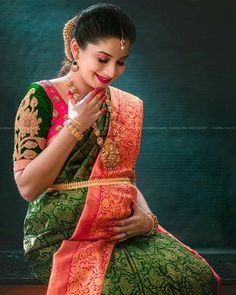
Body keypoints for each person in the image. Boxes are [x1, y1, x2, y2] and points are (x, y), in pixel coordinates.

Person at [13, 3, 221, 295]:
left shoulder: (125, 105)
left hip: (121, 230)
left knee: (198, 277)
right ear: (75, 50)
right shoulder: (41, 97)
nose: (111, 71)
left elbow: (124, 179)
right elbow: (27, 187)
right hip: (62, 237)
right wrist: (75, 127)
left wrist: (147, 220)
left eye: (121, 61)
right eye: (103, 59)